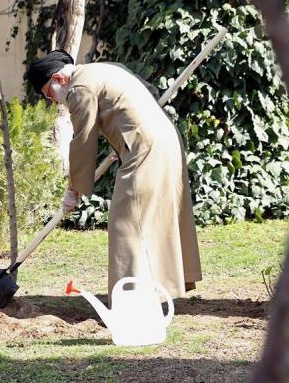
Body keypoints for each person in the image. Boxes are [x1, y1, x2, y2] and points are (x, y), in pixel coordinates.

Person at [25, 49, 202, 304]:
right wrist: (122, 141)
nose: (53, 101)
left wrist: (73, 189)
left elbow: (83, 140)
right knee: (155, 218)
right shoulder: (103, 69)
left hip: (145, 148)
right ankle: (154, 292)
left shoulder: (78, 88)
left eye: (48, 94)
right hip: (165, 139)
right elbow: (147, 93)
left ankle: (131, 303)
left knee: (126, 224)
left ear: (59, 80)